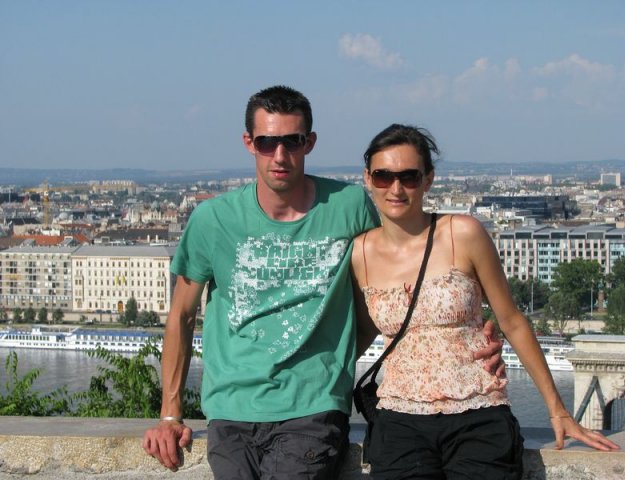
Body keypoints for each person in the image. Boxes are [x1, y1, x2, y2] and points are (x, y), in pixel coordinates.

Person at [142, 86, 503, 479]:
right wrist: (170, 414)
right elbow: (181, 315)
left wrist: (470, 333)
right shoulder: (212, 220)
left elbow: (407, 266)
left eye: (292, 141)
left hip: (314, 405)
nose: (280, 155)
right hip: (230, 410)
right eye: (267, 142)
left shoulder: (349, 206)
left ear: (309, 142)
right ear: (249, 143)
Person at [350, 124, 620, 480]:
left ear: (428, 180)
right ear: (368, 179)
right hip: (399, 421)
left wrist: (558, 411)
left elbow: (512, 320)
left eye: (409, 177)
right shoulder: (360, 253)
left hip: (477, 413)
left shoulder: (462, 233)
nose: (396, 188)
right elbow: (363, 332)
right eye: (384, 176)